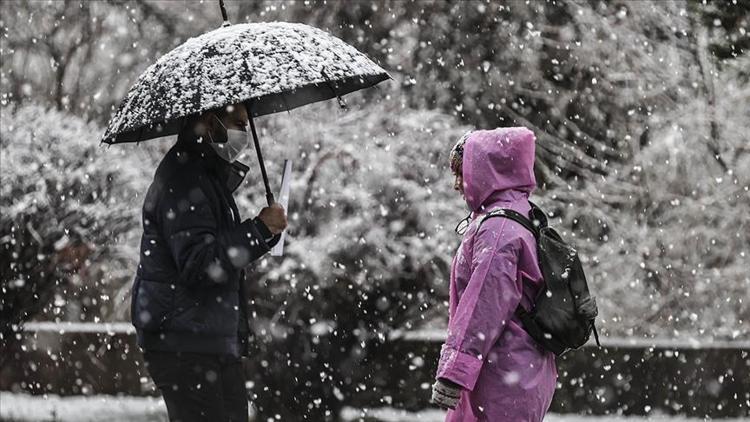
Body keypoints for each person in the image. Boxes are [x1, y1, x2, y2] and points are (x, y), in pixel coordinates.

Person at [130, 103, 287, 422]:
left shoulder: (203, 174)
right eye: (237, 123)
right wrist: (256, 230)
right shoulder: (186, 177)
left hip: (204, 338)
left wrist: (265, 233)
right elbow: (200, 264)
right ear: (208, 119)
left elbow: (215, 254)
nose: (242, 133)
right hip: (186, 342)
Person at [431, 128, 557, 421]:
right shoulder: (520, 214)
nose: (457, 185)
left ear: (487, 171)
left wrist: (454, 371)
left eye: (463, 173)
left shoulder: (499, 229)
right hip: (517, 372)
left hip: (501, 379)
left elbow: (483, 305)